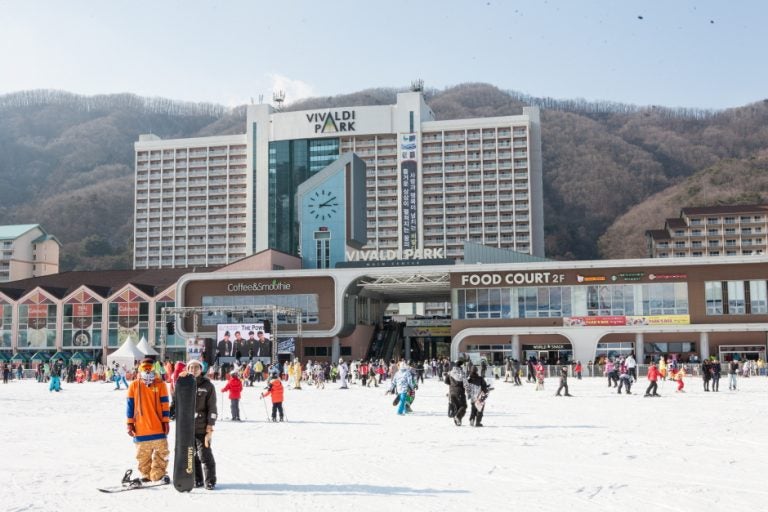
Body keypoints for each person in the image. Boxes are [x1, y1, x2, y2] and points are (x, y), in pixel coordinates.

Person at [126, 358, 171, 483]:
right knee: (143, 456)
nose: (147, 370)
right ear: (140, 369)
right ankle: (145, 474)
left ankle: (158, 474)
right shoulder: (134, 385)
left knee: (162, 453)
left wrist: (165, 421)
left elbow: (165, 404)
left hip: (158, 428)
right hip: (141, 429)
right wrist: (130, 423)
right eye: (144, 368)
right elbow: (130, 405)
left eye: (149, 368)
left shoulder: (160, 384)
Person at [181, 359, 217, 490]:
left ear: (201, 369)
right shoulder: (184, 383)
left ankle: (210, 481)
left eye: (196, 367)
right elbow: (177, 401)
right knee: (192, 456)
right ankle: (198, 480)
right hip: (187, 428)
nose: (193, 370)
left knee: (205, 455)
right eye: (191, 367)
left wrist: (210, 426)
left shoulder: (208, 386)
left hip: (202, 427)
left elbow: (212, 408)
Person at [444, 360, 468, 426]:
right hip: (460, 392)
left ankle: (458, 422)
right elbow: (466, 384)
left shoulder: (450, 372)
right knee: (463, 406)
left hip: (451, 392)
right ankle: (458, 417)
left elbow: (446, 381)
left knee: (455, 407)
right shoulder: (462, 373)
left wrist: (452, 384)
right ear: (460, 366)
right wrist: (469, 392)